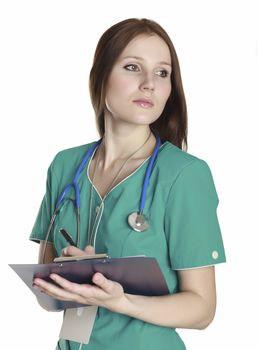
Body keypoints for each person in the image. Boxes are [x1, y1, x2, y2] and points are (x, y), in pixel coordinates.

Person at [31, 18, 226, 350]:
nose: (149, 83)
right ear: (101, 77)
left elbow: (202, 310)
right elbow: (45, 293)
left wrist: (120, 300)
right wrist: (72, 278)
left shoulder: (183, 175)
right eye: (133, 67)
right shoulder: (65, 166)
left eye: (162, 73)